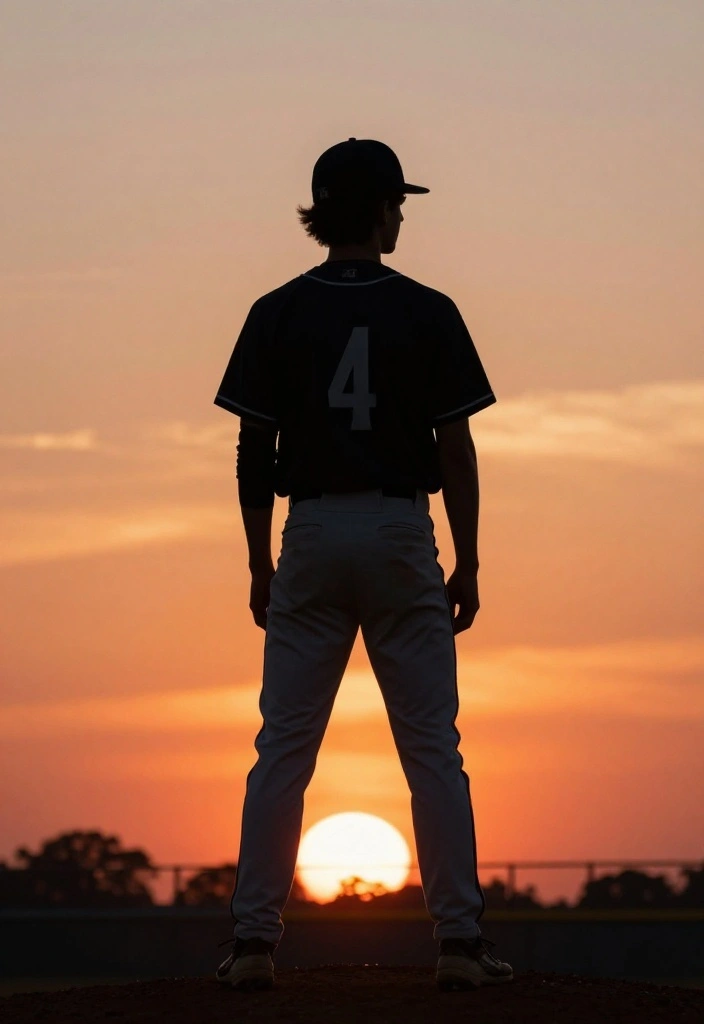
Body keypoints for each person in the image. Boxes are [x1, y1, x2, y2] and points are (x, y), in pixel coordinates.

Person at [213, 138, 513, 993]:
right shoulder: (428, 308)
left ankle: (252, 944)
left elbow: (250, 449)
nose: (404, 213)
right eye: (398, 201)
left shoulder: (276, 309)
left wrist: (255, 561)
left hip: (306, 531)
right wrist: (470, 559)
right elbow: (454, 448)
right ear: (379, 208)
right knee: (431, 750)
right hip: (395, 529)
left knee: (283, 750)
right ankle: (458, 943)